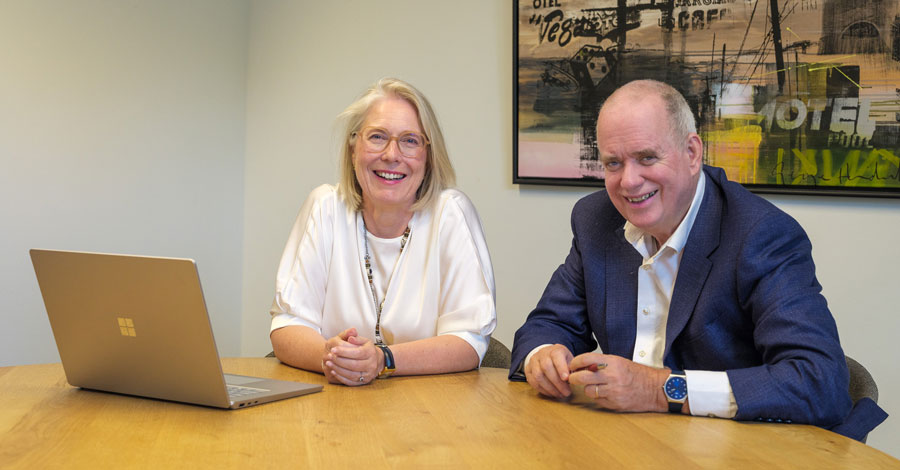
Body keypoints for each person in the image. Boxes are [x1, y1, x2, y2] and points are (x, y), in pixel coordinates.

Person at [509, 79, 886, 440]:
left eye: (646, 157)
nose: (629, 181)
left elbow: (818, 381)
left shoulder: (760, 234)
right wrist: (544, 356)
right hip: (625, 442)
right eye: (613, 163)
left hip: (737, 449)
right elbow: (546, 325)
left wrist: (658, 389)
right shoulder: (596, 220)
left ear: (692, 153)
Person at [270, 78, 496, 386]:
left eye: (410, 141)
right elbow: (287, 325)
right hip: (336, 402)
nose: (391, 155)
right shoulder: (324, 208)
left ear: (428, 156)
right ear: (353, 148)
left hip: (431, 405)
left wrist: (383, 359)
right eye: (377, 137)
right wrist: (333, 357)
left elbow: (469, 342)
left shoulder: (451, 214)